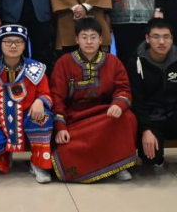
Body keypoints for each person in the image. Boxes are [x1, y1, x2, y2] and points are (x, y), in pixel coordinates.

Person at [49, 16, 138, 183]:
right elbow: (56, 97)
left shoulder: (113, 62)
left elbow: (123, 89)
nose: (89, 42)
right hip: (75, 116)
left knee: (128, 117)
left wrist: (118, 104)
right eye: (84, 37)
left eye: (93, 37)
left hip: (103, 113)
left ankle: (118, 165)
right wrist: (60, 127)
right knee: (67, 144)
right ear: (77, 39)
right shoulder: (64, 62)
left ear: (101, 39)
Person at [129, 18, 177, 182]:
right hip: (151, 121)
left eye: (166, 37)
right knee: (151, 159)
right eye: (156, 37)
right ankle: (157, 155)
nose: (161, 42)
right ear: (147, 38)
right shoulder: (135, 63)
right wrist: (145, 130)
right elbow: (137, 101)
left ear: (172, 39)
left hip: (174, 117)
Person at [0, 25, 54, 183]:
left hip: (27, 120)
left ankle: (38, 163)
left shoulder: (36, 69)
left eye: (18, 42)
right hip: (0, 121)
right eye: (8, 42)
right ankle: (3, 156)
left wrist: (40, 101)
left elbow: (47, 94)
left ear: (24, 45)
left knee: (43, 118)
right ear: (0, 44)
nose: (13, 46)